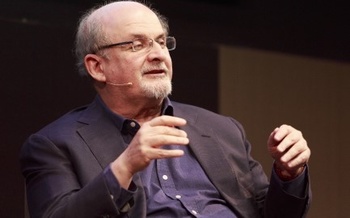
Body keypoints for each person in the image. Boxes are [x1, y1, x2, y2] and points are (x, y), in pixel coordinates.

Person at [20, 1, 311, 217]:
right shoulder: (54, 144)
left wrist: (288, 174)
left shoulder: (221, 129)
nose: (158, 54)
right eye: (137, 45)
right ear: (97, 67)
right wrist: (125, 166)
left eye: (161, 42)